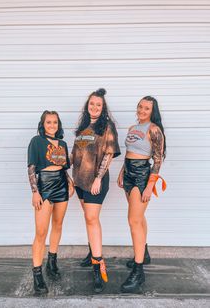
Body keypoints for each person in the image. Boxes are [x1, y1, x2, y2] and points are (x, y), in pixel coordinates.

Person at [71, 88, 121, 293]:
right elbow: (76, 155)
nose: (94, 107)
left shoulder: (107, 126)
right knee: (88, 218)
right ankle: (92, 250)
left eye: (98, 105)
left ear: (103, 108)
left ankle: (98, 265)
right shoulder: (83, 127)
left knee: (92, 219)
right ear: (87, 106)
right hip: (80, 181)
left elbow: (109, 154)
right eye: (91, 104)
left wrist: (99, 178)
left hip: (95, 182)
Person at [117, 96, 166, 293]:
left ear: (152, 111)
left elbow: (157, 160)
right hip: (129, 172)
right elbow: (129, 152)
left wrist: (149, 186)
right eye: (140, 106)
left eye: (146, 108)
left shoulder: (154, 130)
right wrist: (122, 173)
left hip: (142, 175)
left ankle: (138, 272)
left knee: (133, 220)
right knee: (139, 217)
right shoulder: (132, 128)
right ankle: (143, 253)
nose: (142, 110)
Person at [27, 110, 74, 295]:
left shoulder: (62, 143)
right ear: (43, 124)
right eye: (49, 122)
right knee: (40, 231)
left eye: (55, 122)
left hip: (61, 184)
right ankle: (37, 274)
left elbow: (64, 168)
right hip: (44, 185)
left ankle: (52, 262)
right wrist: (35, 192)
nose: (52, 125)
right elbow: (31, 168)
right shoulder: (36, 141)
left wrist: (70, 182)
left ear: (58, 125)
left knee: (58, 224)